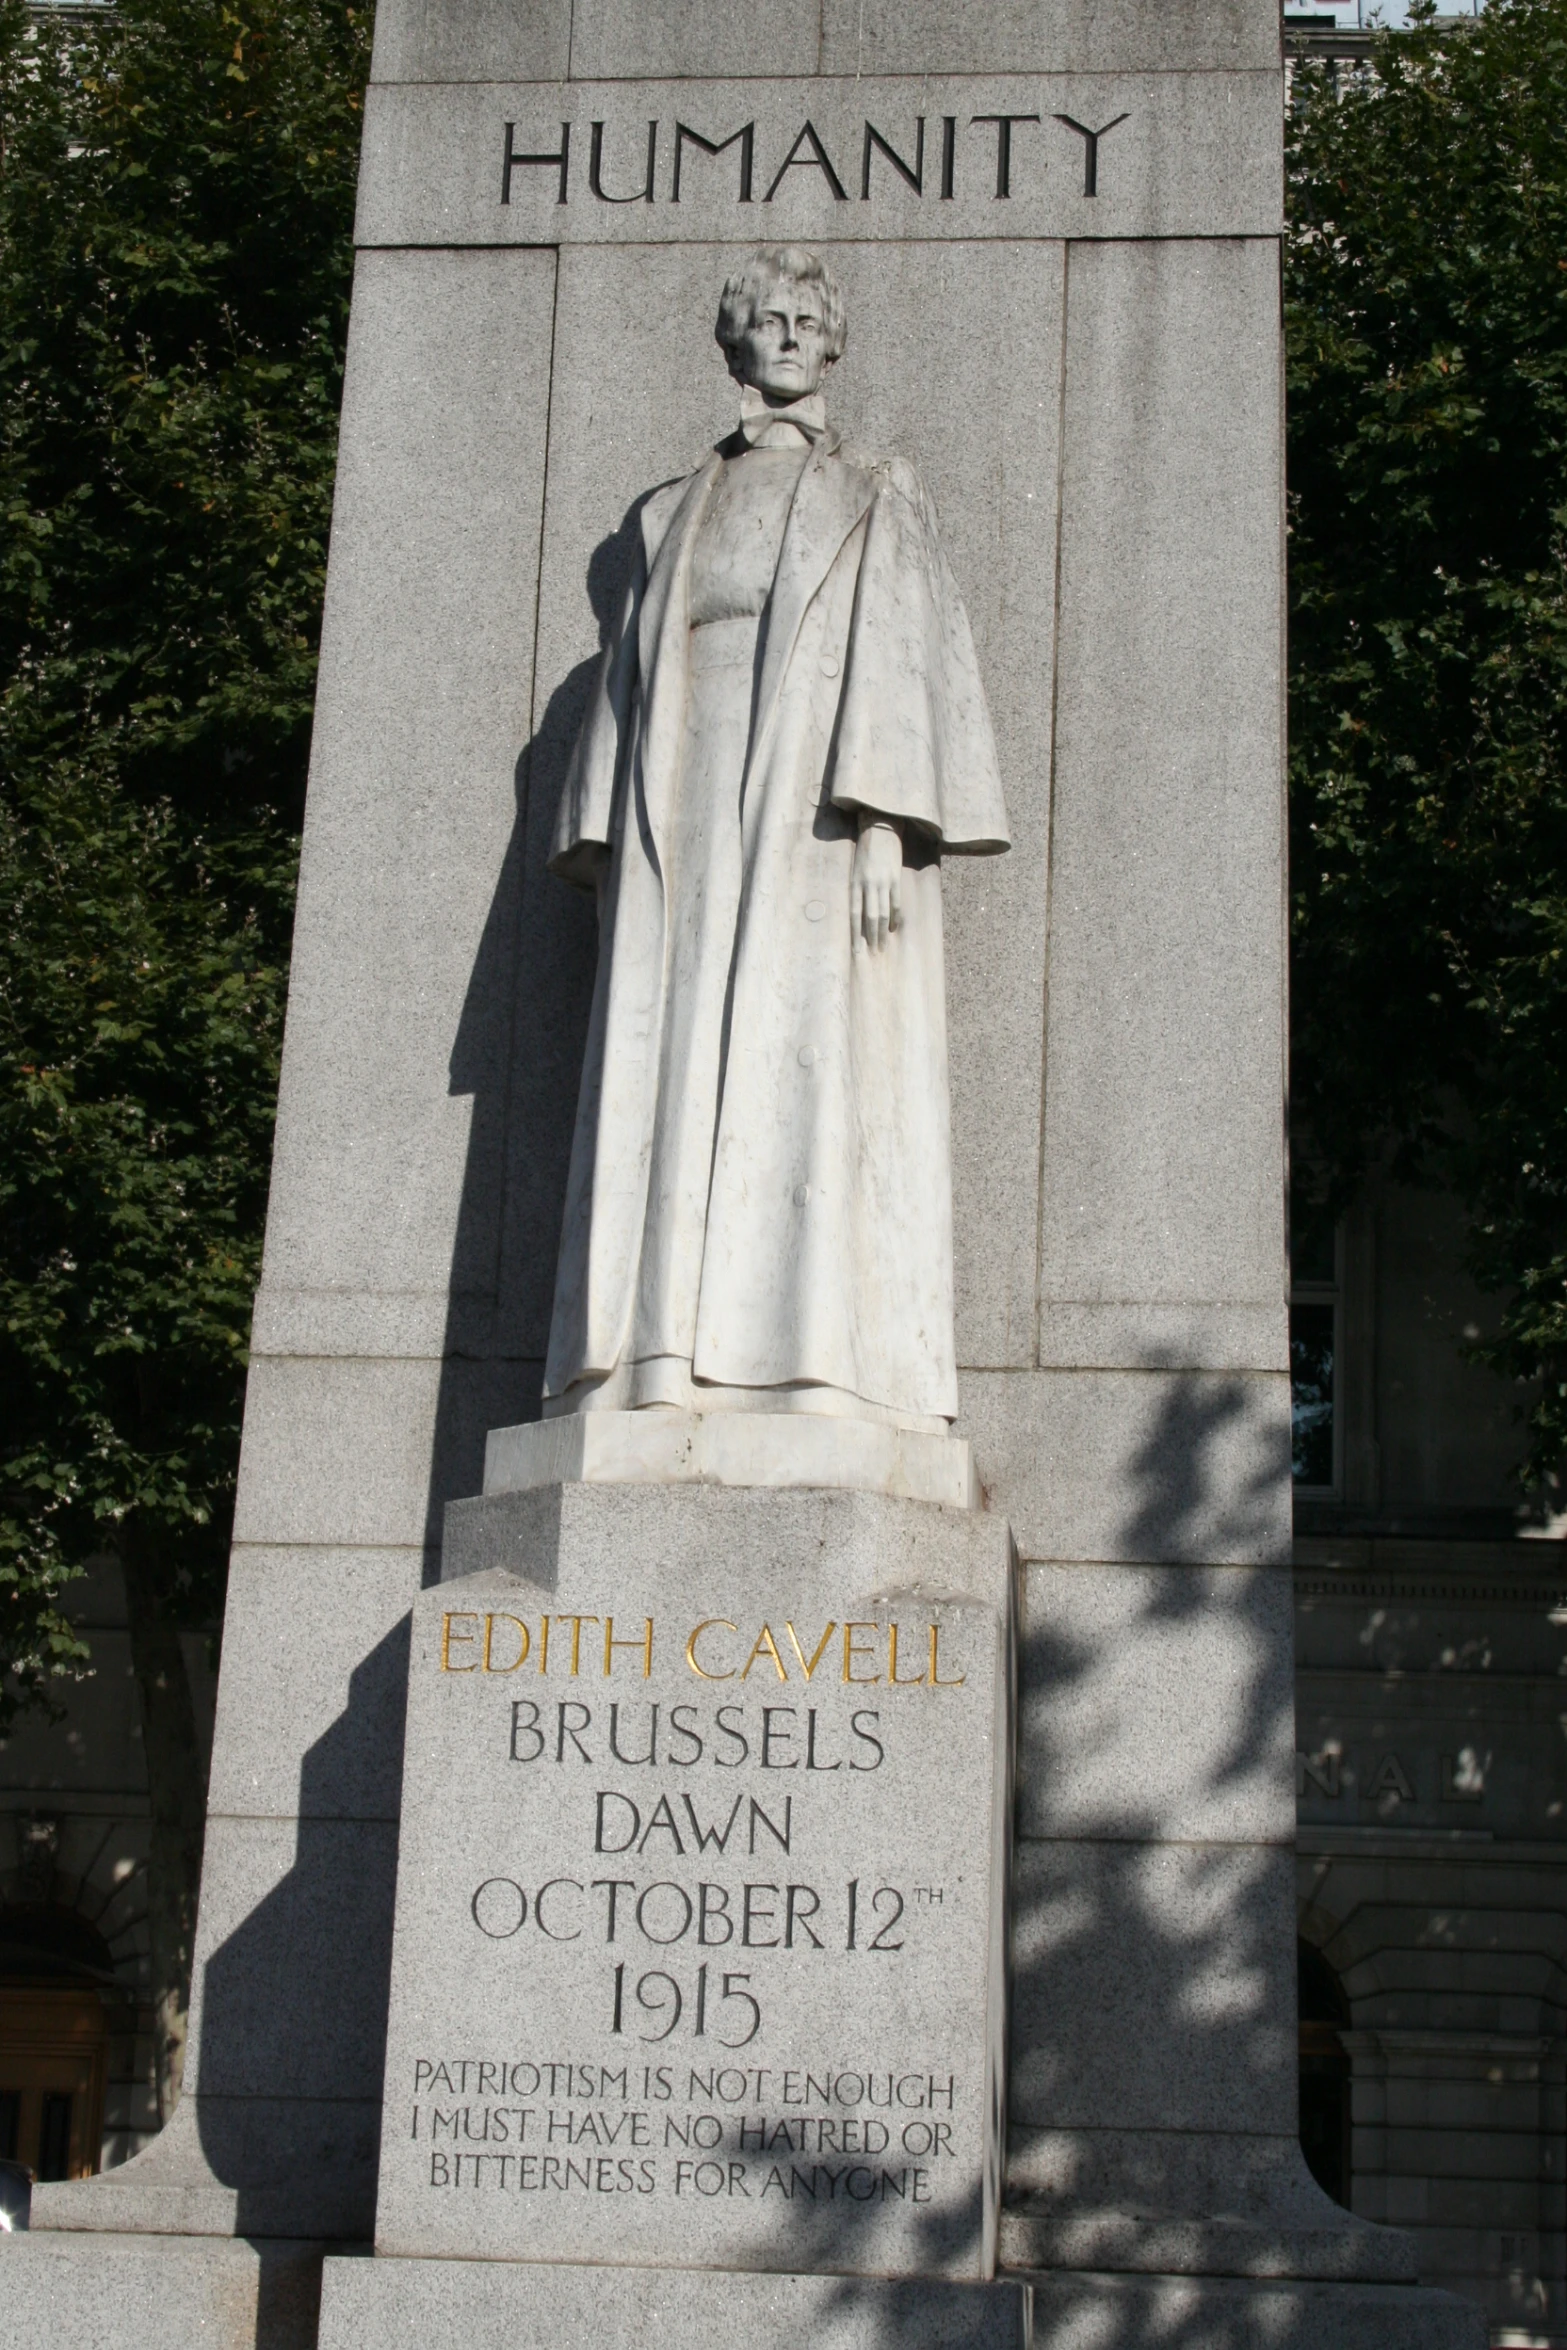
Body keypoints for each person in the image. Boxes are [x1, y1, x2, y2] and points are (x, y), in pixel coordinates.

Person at [544, 244, 1008, 1432]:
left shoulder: (878, 490)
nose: (790, 334)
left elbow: (902, 657)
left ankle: (813, 1361)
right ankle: (657, 1357)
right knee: (676, 1061)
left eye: (809, 318)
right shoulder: (665, 511)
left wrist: (884, 828)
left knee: (806, 1072)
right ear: (734, 342)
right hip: (688, 805)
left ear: (832, 342)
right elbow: (631, 678)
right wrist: (603, 838)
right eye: (768, 317)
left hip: (811, 806)